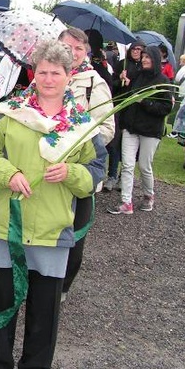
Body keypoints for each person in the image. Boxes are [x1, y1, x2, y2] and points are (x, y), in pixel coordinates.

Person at [0, 39, 106, 369]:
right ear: (34, 73)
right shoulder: (9, 113)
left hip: (53, 227)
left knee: (45, 305)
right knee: (3, 298)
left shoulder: (81, 124)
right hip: (8, 225)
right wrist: (8, 174)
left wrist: (71, 174)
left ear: (68, 75)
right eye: (43, 71)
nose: (48, 78)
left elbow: (95, 170)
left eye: (56, 72)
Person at [57, 28, 114, 300]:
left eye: (79, 48)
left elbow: (107, 128)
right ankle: (42, 277)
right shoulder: (47, 77)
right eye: (67, 47)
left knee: (74, 231)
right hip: (48, 169)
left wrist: (74, 142)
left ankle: (63, 285)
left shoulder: (94, 84)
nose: (73, 52)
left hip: (79, 169)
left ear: (86, 51)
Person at [108, 46, 173, 215]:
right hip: (131, 128)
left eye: (148, 57)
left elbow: (166, 108)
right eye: (143, 57)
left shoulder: (163, 81)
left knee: (144, 166)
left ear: (156, 60)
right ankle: (126, 201)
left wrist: (145, 102)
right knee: (128, 165)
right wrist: (123, 83)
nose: (144, 59)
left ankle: (148, 195)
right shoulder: (137, 76)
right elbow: (127, 98)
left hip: (150, 131)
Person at [104, 38, 146, 191]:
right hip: (119, 109)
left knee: (130, 145)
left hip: (135, 111)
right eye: (134, 49)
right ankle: (112, 175)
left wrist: (131, 85)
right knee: (114, 143)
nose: (136, 52)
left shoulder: (144, 68)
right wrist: (120, 80)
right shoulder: (122, 64)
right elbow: (111, 86)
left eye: (139, 50)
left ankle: (124, 176)